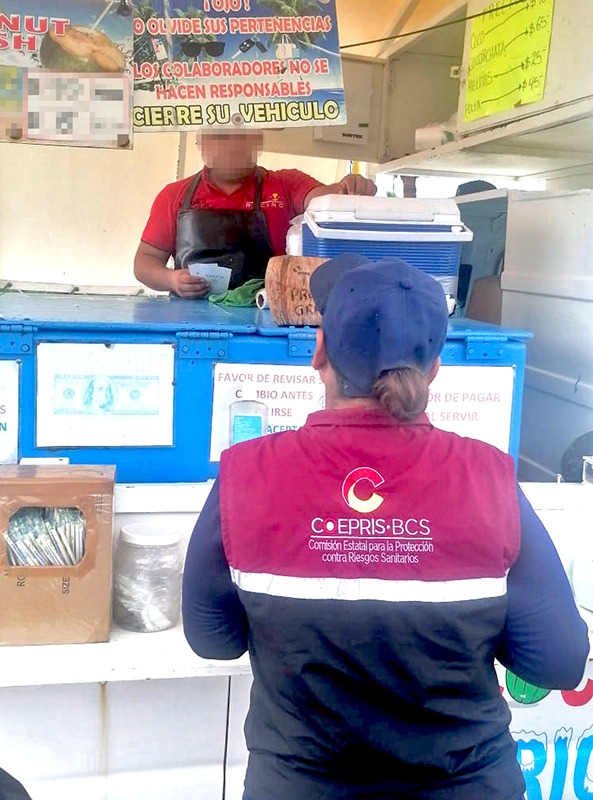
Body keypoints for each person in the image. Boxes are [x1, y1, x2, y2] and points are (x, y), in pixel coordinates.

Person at [182, 254, 589, 800]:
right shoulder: (489, 477)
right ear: (434, 369)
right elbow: (558, 661)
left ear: (320, 351)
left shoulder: (246, 473)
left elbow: (213, 641)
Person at [134, 131, 376, 299]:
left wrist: (347, 188)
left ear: (257, 141)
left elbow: (324, 199)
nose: (232, 146)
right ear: (201, 143)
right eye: (221, 137)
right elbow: (145, 261)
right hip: (191, 322)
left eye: (242, 136)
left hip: (269, 319)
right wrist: (172, 280)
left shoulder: (286, 184)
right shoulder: (174, 195)